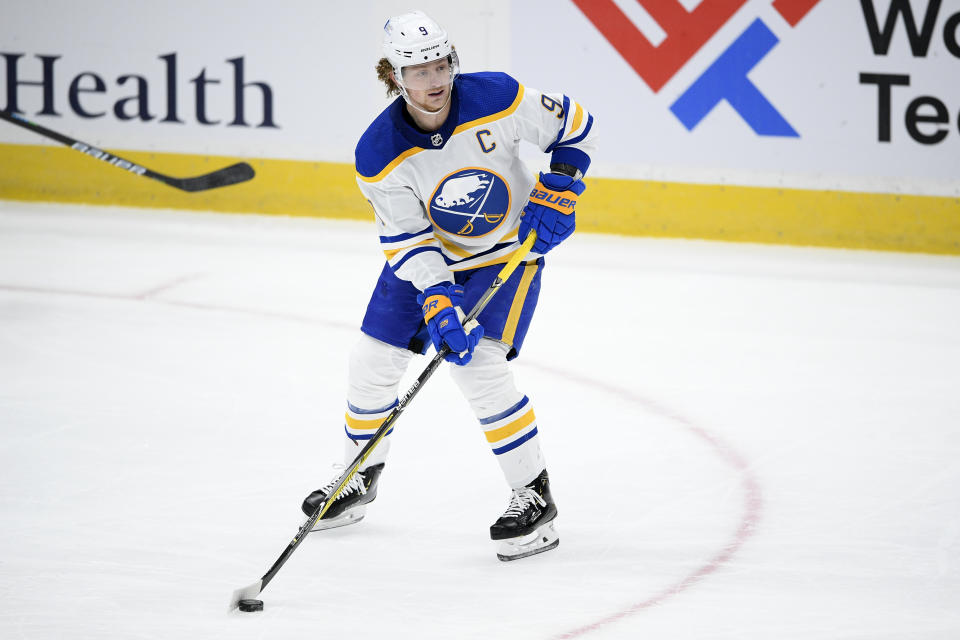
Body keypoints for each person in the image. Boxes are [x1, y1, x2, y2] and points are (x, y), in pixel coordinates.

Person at [301, 10, 596, 561]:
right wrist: (437, 295)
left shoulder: (498, 98)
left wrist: (562, 186)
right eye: (417, 71)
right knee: (370, 362)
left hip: (504, 253)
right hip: (428, 260)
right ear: (394, 76)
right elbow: (408, 239)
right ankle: (356, 478)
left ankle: (534, 496)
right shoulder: (379, 151)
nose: (433, 80)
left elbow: (576, 124)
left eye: (440, 64)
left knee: (478, 364)